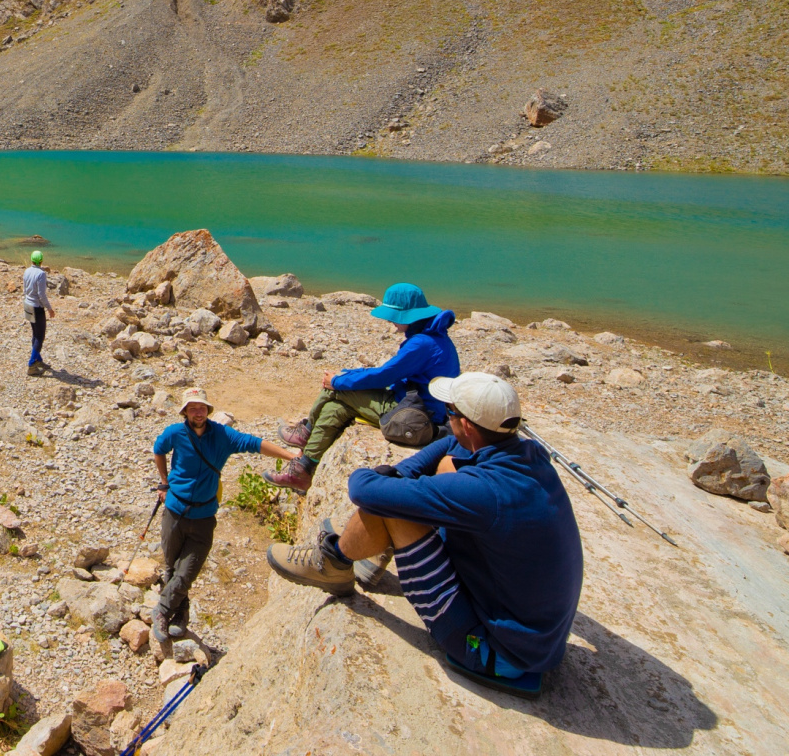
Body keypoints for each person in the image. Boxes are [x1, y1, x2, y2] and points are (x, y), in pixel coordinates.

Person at [266, 372, 583, 697]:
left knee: (391, 506)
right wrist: (402, 472)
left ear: (469, 427)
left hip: (499, 652)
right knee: (446, 465)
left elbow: (364, 490)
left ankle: (333, 562)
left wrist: (386, 475)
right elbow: (449, 443)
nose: (447, 418)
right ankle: (365, 551)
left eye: (450, 414)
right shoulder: (530, 455)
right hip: (538, 639)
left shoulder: (484, 492)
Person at [268, 282, 459, 493]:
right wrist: (348, 374)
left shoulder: (421, 344)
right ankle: (303, 471)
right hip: (418, 407)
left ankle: (306, 431)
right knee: (338, 408)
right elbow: (391, 372)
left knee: (336, 390)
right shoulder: (435, 338)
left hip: (414, 416)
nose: (390, 321)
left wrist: (338, 381)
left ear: (407, 316)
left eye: (393, 316)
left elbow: (385, 376)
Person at [151, 387, 302, 642]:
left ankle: (162, 611)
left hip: (203, 516)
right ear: (185, 411)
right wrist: (163, 482)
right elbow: (158, 449)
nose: (197, 412)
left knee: (186, 570)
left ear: (208, 411)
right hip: (174, 510)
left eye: (201, 408)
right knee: (171, 567)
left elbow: (254, 444)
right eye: (192, 408)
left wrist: (290, 456)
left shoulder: (222, 435)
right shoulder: (175, 433)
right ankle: (180, 616)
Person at [22, 250, 54, 376]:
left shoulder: (26, 271)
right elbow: (41, 295)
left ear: (31, 260)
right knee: (40, 337)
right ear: (41, 261)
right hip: (37, 307)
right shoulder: (41, 274)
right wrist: (49, 308)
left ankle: (38, 360)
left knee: (35, 334)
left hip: (27, 305)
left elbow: (25, 289)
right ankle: (31, 364)